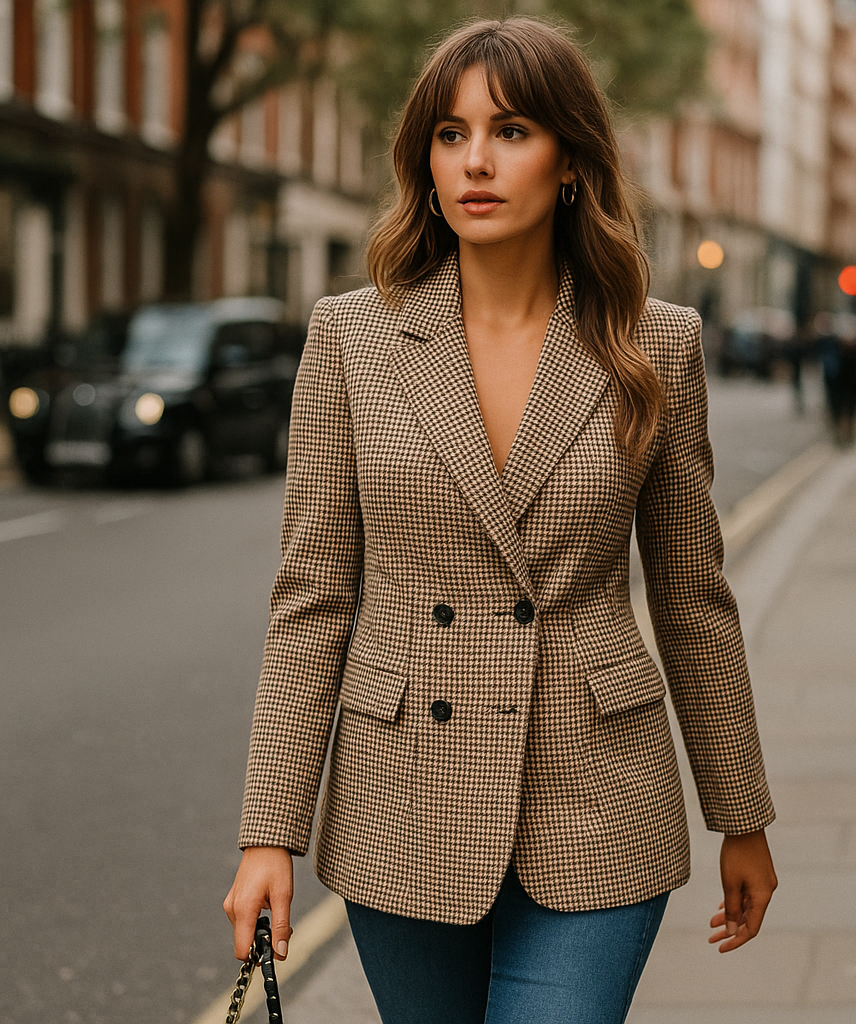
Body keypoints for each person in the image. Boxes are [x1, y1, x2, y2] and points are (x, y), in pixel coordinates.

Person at [224, 18, 777, 1024]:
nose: (474, 159)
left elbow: (693, 600)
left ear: (571, 160)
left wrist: (739, 811)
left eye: (511, 130)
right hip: (405, 796)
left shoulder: (656, 344)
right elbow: (311, 599)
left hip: (598, 793)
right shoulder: (351, 338)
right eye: (449, 133)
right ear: (423, 160)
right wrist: (270, 831)